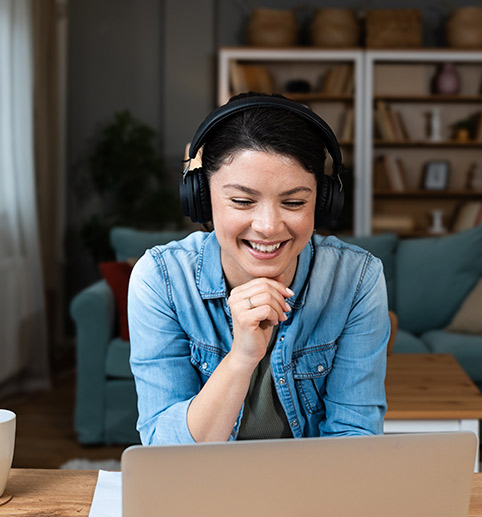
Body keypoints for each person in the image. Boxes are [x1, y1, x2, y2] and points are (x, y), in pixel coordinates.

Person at [127, 93, 389, 445]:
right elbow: (164, 452)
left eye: (294, 202)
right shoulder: (161, 280)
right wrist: (242, 358)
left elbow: (354, 442)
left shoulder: (356, 280)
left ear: (323, 201)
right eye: (242, 201)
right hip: (203, 493)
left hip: (314, 493)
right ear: (201, 197)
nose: (268, 226)